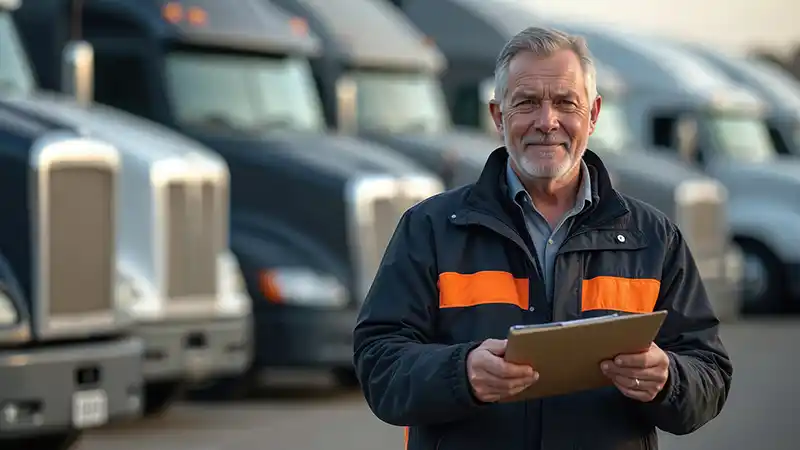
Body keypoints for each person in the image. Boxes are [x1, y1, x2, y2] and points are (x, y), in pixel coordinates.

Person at [352, 26, 733, 450]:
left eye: (566, 102)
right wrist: (460, 372)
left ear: (593, 113)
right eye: (527, 102)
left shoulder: (654, 238)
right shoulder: (431, 229)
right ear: (498, 116)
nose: (547, 122)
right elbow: (379, 364)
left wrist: (668, 379)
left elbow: (709, 373)